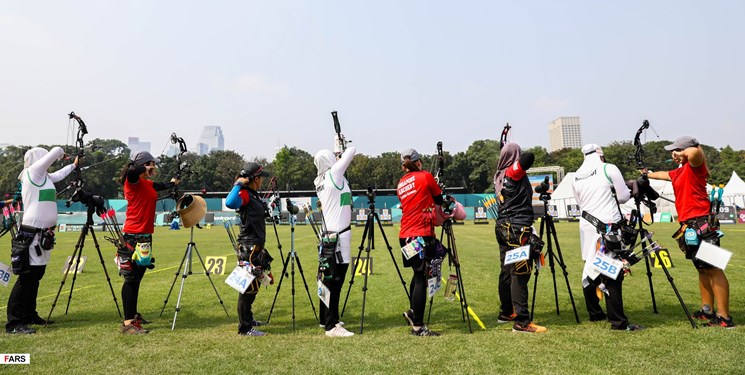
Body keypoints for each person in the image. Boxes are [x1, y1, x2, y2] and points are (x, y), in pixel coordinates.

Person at [646, 136, 735, 328]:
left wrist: (684, 152)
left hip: (703, 224)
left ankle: (725, 318)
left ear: (686, 150)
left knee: (714, 269)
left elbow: (696, 152)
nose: (674, 154)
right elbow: (664, 174)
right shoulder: (679, 171)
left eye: (677, 150)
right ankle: (707, 311)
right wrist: (647, 174)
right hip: (690, 226)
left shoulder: (695, 166)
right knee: (702, 269)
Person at [6, 147, 78, 334]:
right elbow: (56, 151)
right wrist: (62, 153)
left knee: (36, 276)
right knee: (26, 278)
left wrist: (74, 164)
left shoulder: (45, 178)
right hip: (32, 233)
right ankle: (14, 322)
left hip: (43, 234)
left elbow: (60, 174)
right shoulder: (32, 173)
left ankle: (29, 314)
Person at [572, 144, 644, 331]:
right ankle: (619, 322)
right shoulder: (608, 168)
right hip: (607, 227)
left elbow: (581, 204)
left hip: (588, 225)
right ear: (600, 155)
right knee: (612, 272)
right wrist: (631, 188)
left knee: (590, 267)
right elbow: (622, 197)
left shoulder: (576, 176)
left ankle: (595, 313)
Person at [117, 151, 179, 334]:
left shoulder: (145, 182)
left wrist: (173, 183)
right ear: (143, 165)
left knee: (137, 277)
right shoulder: (133, 180)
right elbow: (131, 171)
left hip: (144, 235)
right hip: (132, 235)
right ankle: (128, 323)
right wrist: (144, 165)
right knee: (131, 279)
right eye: (151, 165)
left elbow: (159, 185)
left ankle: (133, 314)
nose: (154, 168)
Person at [493, 142, 546, 333]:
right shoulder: (511, 173)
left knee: (507, 271)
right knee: (520, 273)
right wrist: (517, 157)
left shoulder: (499, 175)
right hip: (516, 229)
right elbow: (529, 157)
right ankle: (522, 322)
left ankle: (507, 312)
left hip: (503, 226)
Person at [397, 148, 446, 336]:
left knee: (416, 275)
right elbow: (439, 199)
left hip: (405, 235)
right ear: (418, 162)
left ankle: (412, 312)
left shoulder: (401, 183)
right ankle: (418, 326)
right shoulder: (425, 176)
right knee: (420, 278)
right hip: (419, 234)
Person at [225, 162, 274, 336]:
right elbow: (230, 202)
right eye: (260, 177)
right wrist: (239, 183)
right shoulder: (245, 194)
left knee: (255, 286)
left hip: (256, 247)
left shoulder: (253, 195)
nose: (262, 181)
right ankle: (244, 328)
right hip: (249, 248)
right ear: (254, 179)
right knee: (247, 288)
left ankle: (249, 318)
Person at [313, 145, 356, 337]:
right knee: (336, 280)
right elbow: (352, 150)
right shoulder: (334, 174)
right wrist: (341, 151)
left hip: (328, 236)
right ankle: (332, 326)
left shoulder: (321, 179)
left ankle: (325, 319)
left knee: (327, 279)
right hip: (339, 237)